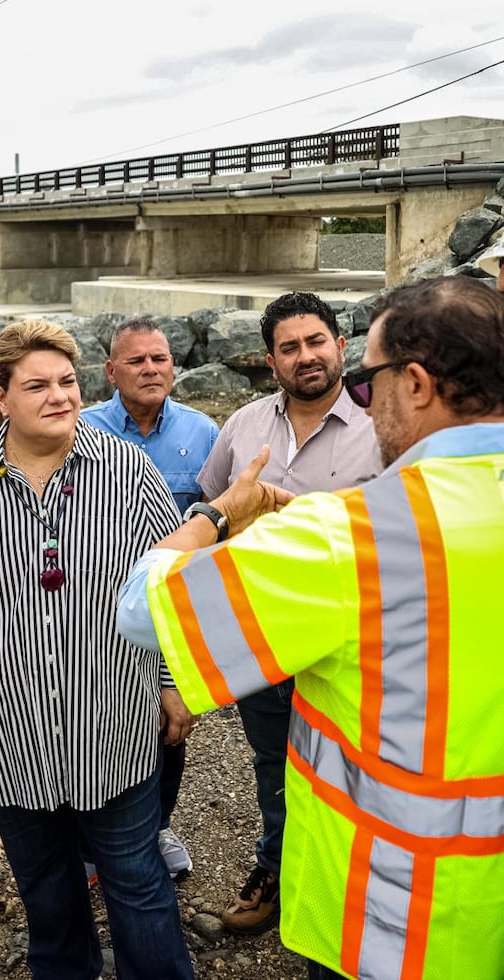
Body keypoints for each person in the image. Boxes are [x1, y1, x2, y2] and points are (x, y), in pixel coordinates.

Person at [118, 275, 504, 979]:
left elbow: (142, 608)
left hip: (393, 923)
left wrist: (215, 517)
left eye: (368, 378)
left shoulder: (355, 532)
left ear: (414, 383)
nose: (365, 395)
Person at [0, 320, 195, 980]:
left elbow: (172, 588)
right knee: (47, 889)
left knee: (138, 884)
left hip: (112, 724)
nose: (59, 396)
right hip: (9, 733)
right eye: (37, 385)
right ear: (1, 396)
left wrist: (175, 680)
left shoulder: (129, 472)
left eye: (68, 382)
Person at [195, 291, 381, 935]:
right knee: (274, 760)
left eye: (316, 342)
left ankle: (349, 889)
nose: (306, 357)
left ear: (341, 344)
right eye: (290, 348)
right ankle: (276, 871)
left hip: (353, 643)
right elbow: (212, 508)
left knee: (354, 765)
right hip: (262, 634)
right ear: (270, 360)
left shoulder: (384, 428)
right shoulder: (243, 427)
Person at [82, 317, 218, 878]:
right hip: (95, 613)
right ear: (112, 371)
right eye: (136, 361)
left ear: (173, 367)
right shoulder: (82, 430)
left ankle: (155, 828)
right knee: (97, 727)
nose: (150, 369)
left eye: (159, 359)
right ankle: (90, 845)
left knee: (171, 728)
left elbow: (218, 520)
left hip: (172, 615)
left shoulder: (204, 433)